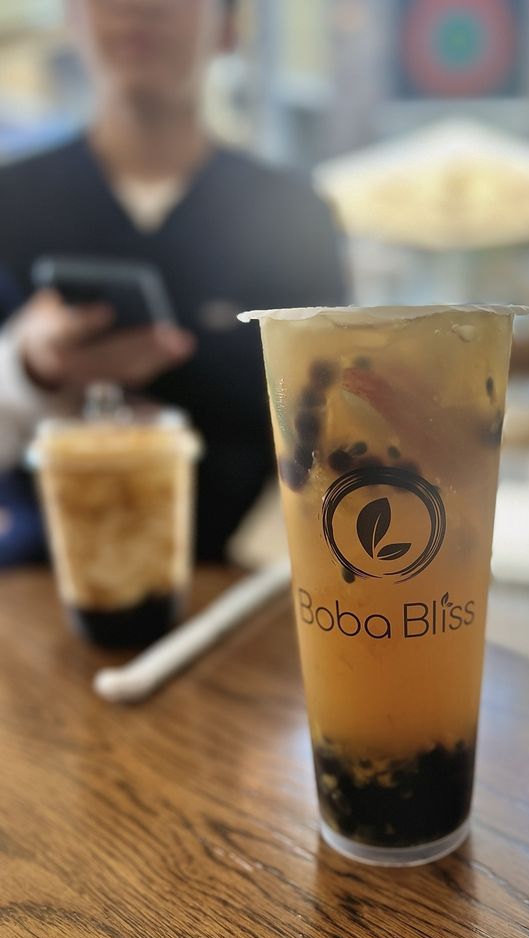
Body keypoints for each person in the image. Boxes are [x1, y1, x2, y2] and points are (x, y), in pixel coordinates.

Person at [0, 0, 346, 565]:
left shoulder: (292, 214)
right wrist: (30, 368)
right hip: (36, 574)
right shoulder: (11, 201)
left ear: (227, 29)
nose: (140, 9)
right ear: (72, 19)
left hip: (233, 571)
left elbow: (334, 424)